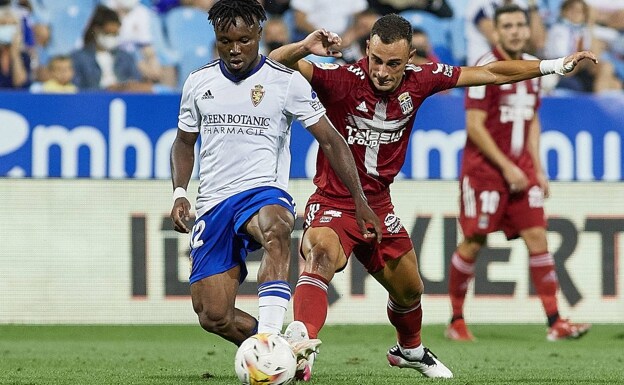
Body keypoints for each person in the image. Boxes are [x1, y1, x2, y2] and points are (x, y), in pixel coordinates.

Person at [269, 12, 596, 381]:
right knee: (322, 255)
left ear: (409, 60)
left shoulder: (422, 79)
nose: (382, 71)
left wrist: (554, 65)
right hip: (333, 201)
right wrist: (303, 48)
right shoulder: (339, 77)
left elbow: (490, 74)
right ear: (366, 51)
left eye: (394, 64)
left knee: (411, 292)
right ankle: (300, 344)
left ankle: (409, 351)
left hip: (379, 206)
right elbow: (273, 64)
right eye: (376, 60)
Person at [169, 0, 381, 357]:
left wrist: (360, 201)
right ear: (216, 40)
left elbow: (331, 140)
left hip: (262, 190)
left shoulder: (286, 82)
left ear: (259, 36)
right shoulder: (198, 82)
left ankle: (268, 338)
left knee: (276, 226)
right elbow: (184, 142)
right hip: (214, 202)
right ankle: (282, 352)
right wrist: (179, 192)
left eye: (244, 40)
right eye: (225, 41)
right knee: (213, 315)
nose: (235, 50)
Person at [445, 4, 592, 342]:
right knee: (473, 241)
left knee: (538, 236)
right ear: (496, 31)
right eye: (507, 25)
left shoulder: (533, 68)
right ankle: (456, 320)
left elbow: (533, 121)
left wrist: (537, 167)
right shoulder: (485, 67)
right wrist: (507, 166)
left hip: (522, 171)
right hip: (485, 172)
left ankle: (555, 321)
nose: (513, 31)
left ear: (527, 29)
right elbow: (474, 126)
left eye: (518, 25)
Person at [71, 5, 152, 92]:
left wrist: (124, 87)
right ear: (96, 30)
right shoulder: (78, 58)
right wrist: (106, 90)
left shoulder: (126, 57)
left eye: (115, 34)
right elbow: (75, 89)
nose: (112, 38)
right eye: (108, 33)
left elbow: (137, 83)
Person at [0, 6, 29, 89]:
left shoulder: (25, 56)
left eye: (12, 24)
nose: (8, 28)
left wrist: (15, 54)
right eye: (3, 24)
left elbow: (20, 83)